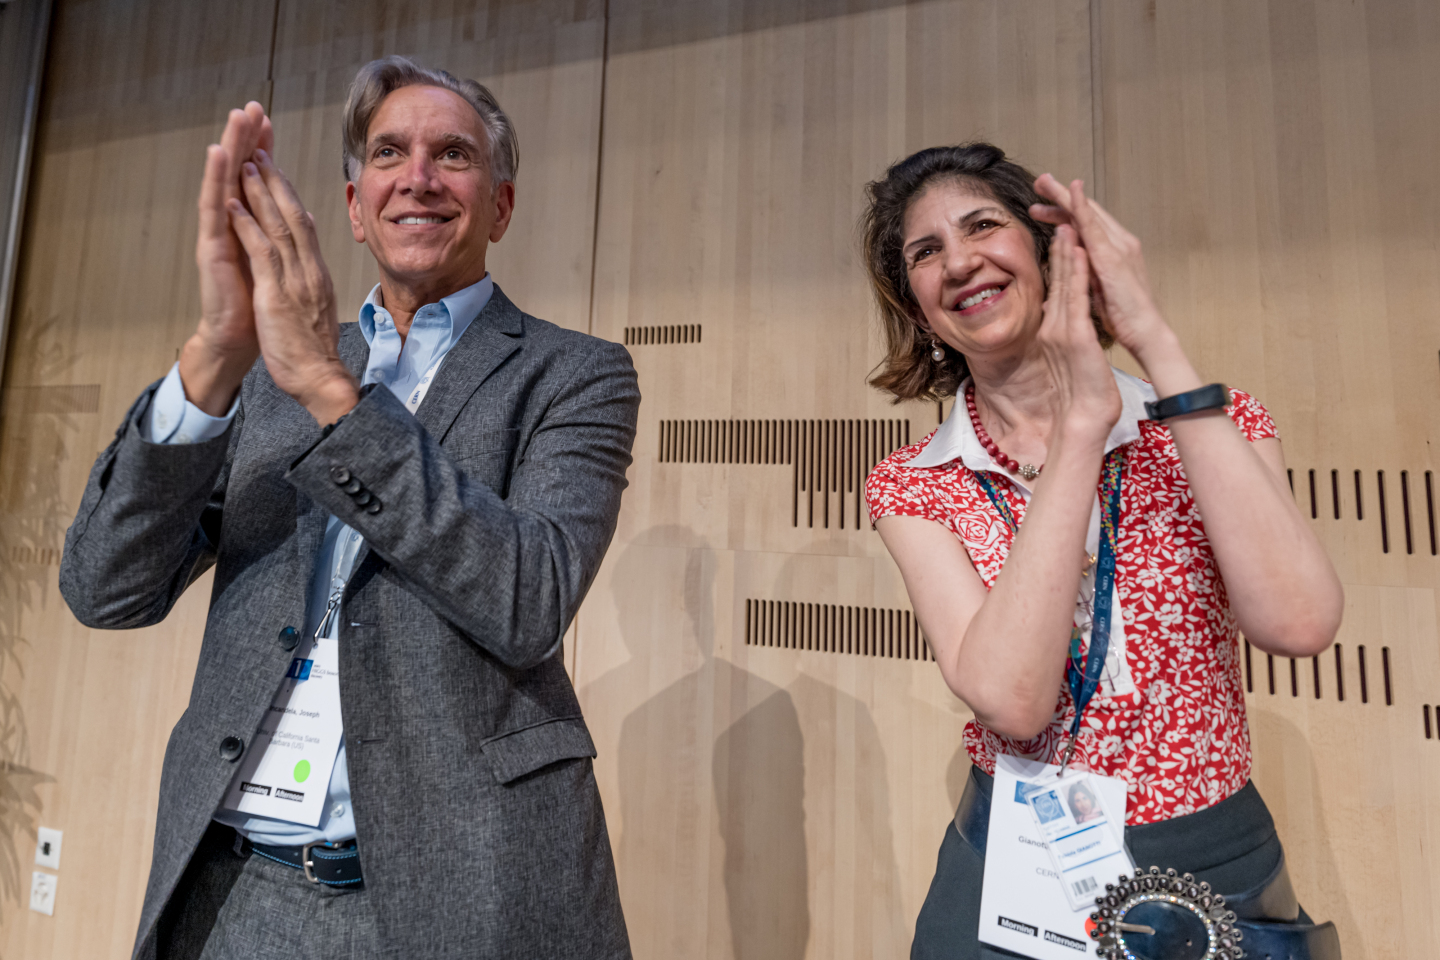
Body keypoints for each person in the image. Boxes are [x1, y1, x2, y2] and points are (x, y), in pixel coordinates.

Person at [60, 56, 636, 959]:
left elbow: (529, 599)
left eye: (454, 155)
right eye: (389, 153)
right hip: (234, 884)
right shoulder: (268, 368)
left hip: (454, 890)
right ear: (357, 207)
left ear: (502, 205)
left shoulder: (574, 375)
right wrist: (214, 354)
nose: (419, 176)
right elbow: (105, 589)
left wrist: (334, 392)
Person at [860, 144, 1344, 959]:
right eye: (926, 251)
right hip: (1014, 876)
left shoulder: (1208, 430)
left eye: (984, 225)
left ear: (1049, 253)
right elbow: (1013, 702)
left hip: (1211, 865)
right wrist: (1080, 430)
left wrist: (1149, 336)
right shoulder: (915, 484)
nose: (961, 259)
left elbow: (1299, 624)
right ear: (916, 307)